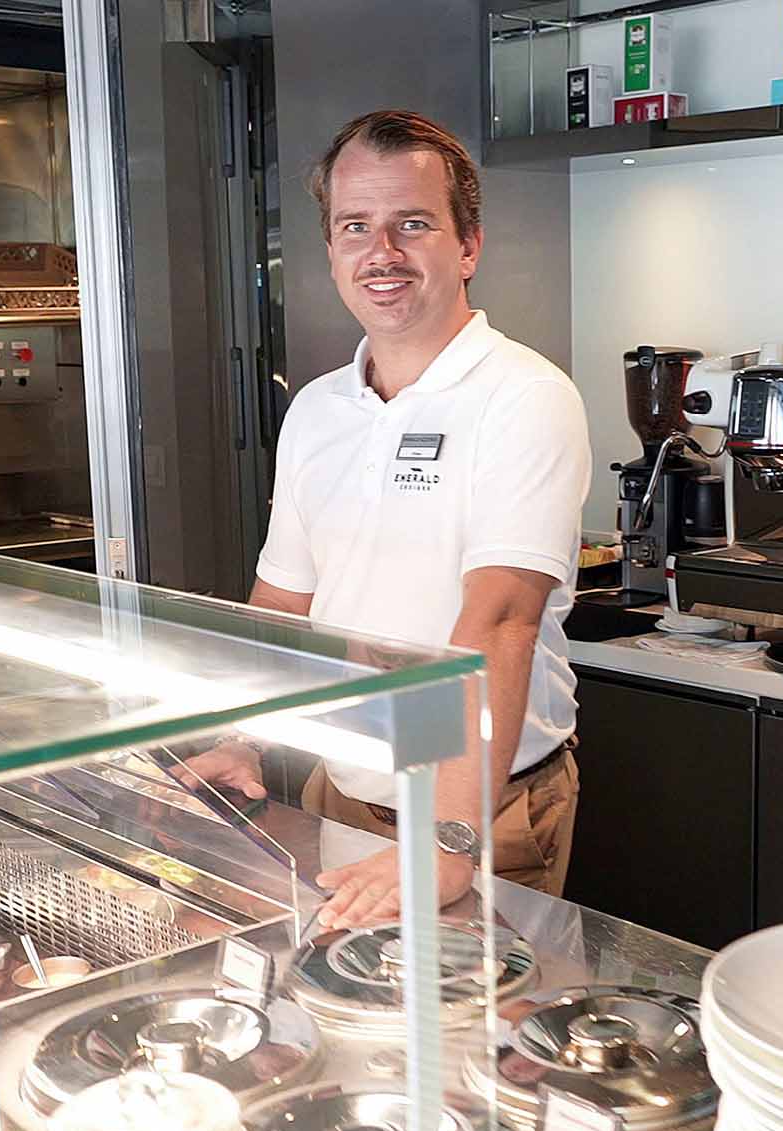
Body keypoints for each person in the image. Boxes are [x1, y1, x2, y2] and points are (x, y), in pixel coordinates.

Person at [184, 109, 591, 929]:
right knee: (358, 1033)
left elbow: (501, 621)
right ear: (331, 251)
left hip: (480, 806)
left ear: (468, 244)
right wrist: (243, 740)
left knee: (475, 1036)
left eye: (412, 224)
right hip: (345, 785)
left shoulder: (523, 396)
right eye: (355, 227)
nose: (383, 253)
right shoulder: (317, 408)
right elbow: (281, 601)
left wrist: (447, 842)